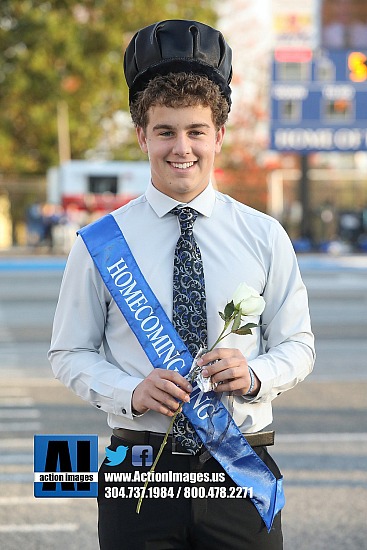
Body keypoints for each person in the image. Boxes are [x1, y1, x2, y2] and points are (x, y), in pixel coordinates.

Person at [49, 19, 315, 550]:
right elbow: (68, 352)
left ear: (218, 134)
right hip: (136, 467)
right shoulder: (100, 242)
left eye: (196, 131)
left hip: (239, 464)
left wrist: (257, 374)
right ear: (142, 135)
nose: (182, 148)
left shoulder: (263, 235)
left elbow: (299, 345)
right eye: (166, 131)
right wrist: (130, 391)